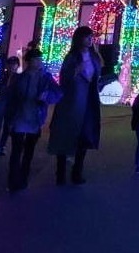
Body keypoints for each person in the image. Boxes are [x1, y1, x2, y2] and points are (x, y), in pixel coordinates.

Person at [47, 26, 103, 186]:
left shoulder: (93, 57)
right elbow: (64, 77)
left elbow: (96, 75)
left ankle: (77, 172)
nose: (89, 40)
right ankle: (61, 173)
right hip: (71, 100)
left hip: (88, 100)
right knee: (66, 134)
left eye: (91, 37)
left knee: (84, 136)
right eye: (86, 37)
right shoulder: (72, 57)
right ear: (79, 39)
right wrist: (74, 72)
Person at [4, 48, 60, 194]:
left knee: (28, 151)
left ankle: (22, 178)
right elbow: (11, 97)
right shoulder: (19, 78)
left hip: (35, 117)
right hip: (20, 116)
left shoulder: (46, 78)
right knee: (16, 150)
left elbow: (58, 93)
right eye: (36, 59)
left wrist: (46, 97)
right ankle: (13, 180)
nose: (39, 62)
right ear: (29, 61)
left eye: (40, 59)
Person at [0, 57, 20, 156]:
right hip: (1, 103)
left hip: (11, 105)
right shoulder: (2, 76)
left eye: (14, 64)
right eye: (10, 64)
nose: (12, 66)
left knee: (7, 126)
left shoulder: (19, 78)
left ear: (17, 65)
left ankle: (2, 146)